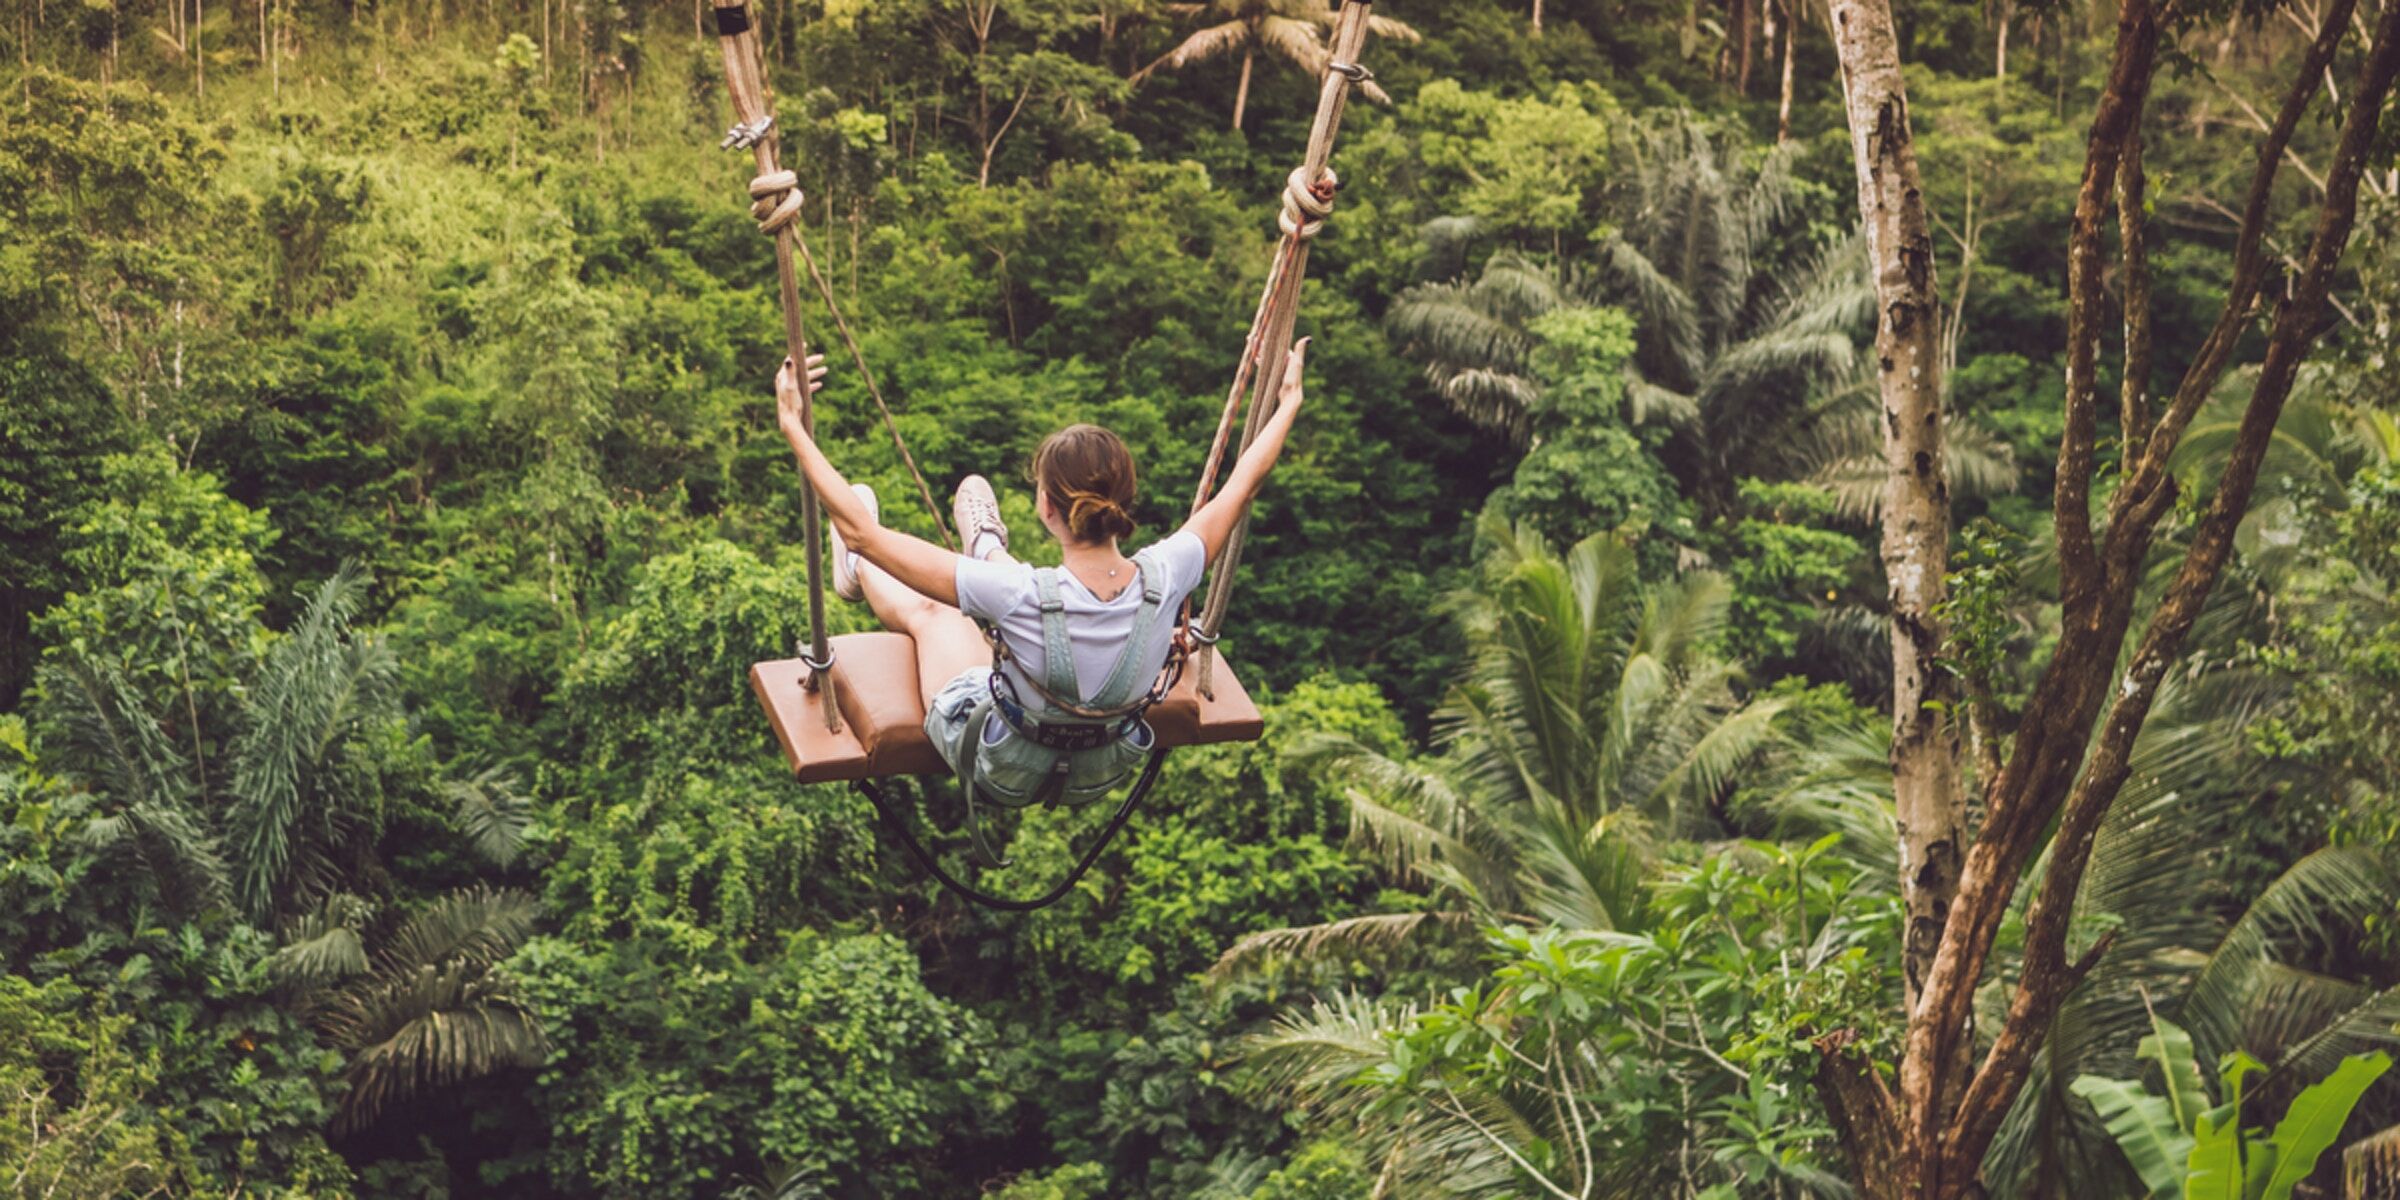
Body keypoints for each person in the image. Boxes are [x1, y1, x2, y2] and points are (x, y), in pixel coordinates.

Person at [774, 338, 1310, 807]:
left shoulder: (1016, 596)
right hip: (1099, 769)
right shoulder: (1170, 572)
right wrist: (1287, 404)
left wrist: (793, 426)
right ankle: (985, 543)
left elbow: (862, 530)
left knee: (938, 614)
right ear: (1124, 502)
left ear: (1047, 508)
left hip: (1000, 766)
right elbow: (1243, 483)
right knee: (1003, 592)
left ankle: (862, 572)